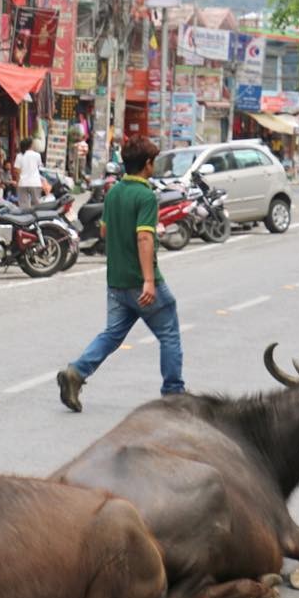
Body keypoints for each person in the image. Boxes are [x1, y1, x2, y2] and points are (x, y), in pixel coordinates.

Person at [57, 135, 185, 412]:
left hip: (116, 281)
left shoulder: (114, 192)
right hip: (140, 282)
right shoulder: (146, 196)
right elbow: (144, 239)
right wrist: (149, 280)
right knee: (170, 334)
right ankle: (174, 394)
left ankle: (76, 373)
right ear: (147, 164)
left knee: (112, 333)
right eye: (154, 162)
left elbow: (104, 230)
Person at [14, 137, 44, 208]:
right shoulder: (37, 155)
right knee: (36, 204)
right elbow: (39, 167)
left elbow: (17, 171)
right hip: (35, 182)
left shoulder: (19, 156)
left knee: (24, 205)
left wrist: (18, 183)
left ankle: (25, 218)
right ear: (31, 145)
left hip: (23, 183)